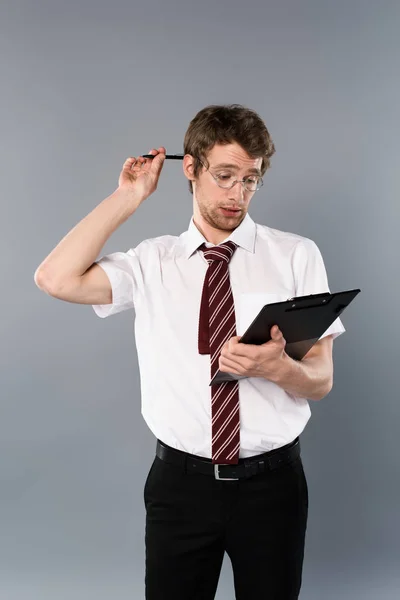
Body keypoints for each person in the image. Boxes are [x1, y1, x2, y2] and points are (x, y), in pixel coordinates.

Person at [34, 104, 345, 599]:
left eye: (251, 180)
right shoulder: (152, 261)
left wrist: (279, 367)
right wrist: (128, 196)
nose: (237, 194)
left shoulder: (297, 255)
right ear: (192, 168)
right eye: (224, 175)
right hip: (181, 487)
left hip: (273, 486)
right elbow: (55, 278)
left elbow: (321, 381)